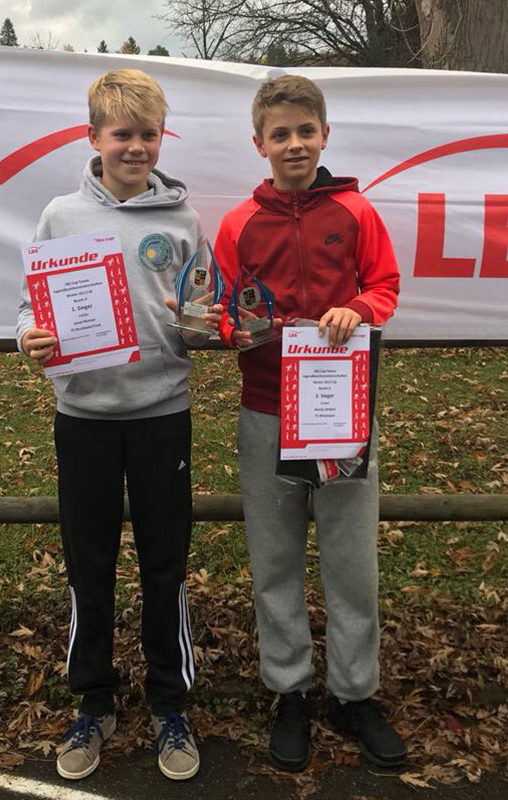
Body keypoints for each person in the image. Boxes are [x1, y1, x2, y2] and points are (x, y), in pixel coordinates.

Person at [16, 68, 221, 783]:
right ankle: (94, 701)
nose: (136, 147)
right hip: (85, 420)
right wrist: (29, 336)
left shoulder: (184, 221)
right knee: (90, 563)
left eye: (149, 135)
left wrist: (202, 325)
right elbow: (29, 306)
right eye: (123, 134)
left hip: (163, 415)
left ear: (161, 140)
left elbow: (203, 311)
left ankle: (169, 703)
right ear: (94, 137)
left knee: (165, 563)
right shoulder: (60, 216)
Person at [214, 75, 406, 771]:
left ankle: (354, 694)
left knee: (351, 561)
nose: (293, 144)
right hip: (266, 411)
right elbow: (223, 306)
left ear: (324, 134)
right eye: (280, 134)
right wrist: (232, 331)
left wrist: (360, 309)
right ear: (259, 143)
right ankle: (288, 690)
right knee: (275, 562)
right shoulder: (239, 223)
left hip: (341, 410)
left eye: (304, 131)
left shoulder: (356, 211)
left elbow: (384, 285)